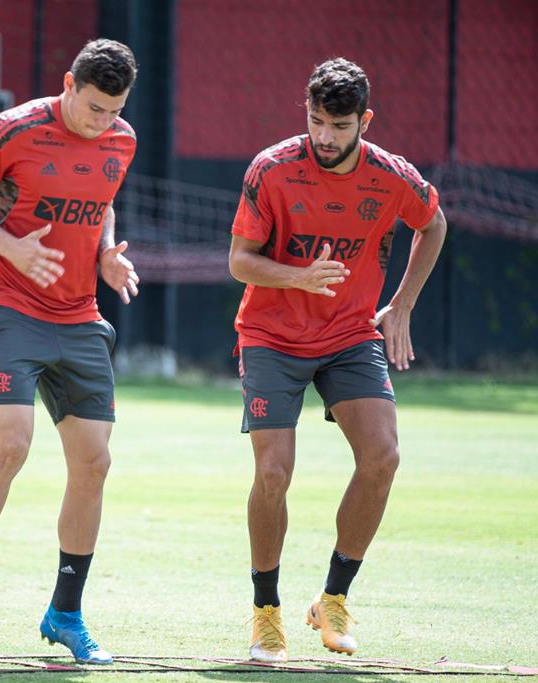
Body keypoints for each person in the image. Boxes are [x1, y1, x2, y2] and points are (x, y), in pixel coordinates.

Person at [0, 39, 140, 665]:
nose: (103, 123)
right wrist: (13, 248)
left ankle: (66, 613)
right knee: (12, 444)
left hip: (78, 314)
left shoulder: (120, 140)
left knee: (95, 463)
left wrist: (104, 252)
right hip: (8, 301)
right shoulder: (12, 129)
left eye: (114, 111)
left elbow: (102, 200)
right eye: (94, 108)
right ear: (69, 82)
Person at [229, 57, 446, 662]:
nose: (324, 137)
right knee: (273, 474)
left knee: (382, 457)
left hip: (351, 335)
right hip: (271, 335)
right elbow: (240, 261)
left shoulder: (390, 175)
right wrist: (299, 276)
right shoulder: (271, 169)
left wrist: (401, 304)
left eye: (339, 125)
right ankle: (265, 612)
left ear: (365, 122)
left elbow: (434, 225)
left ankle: (333, 598)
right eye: (316, 120)